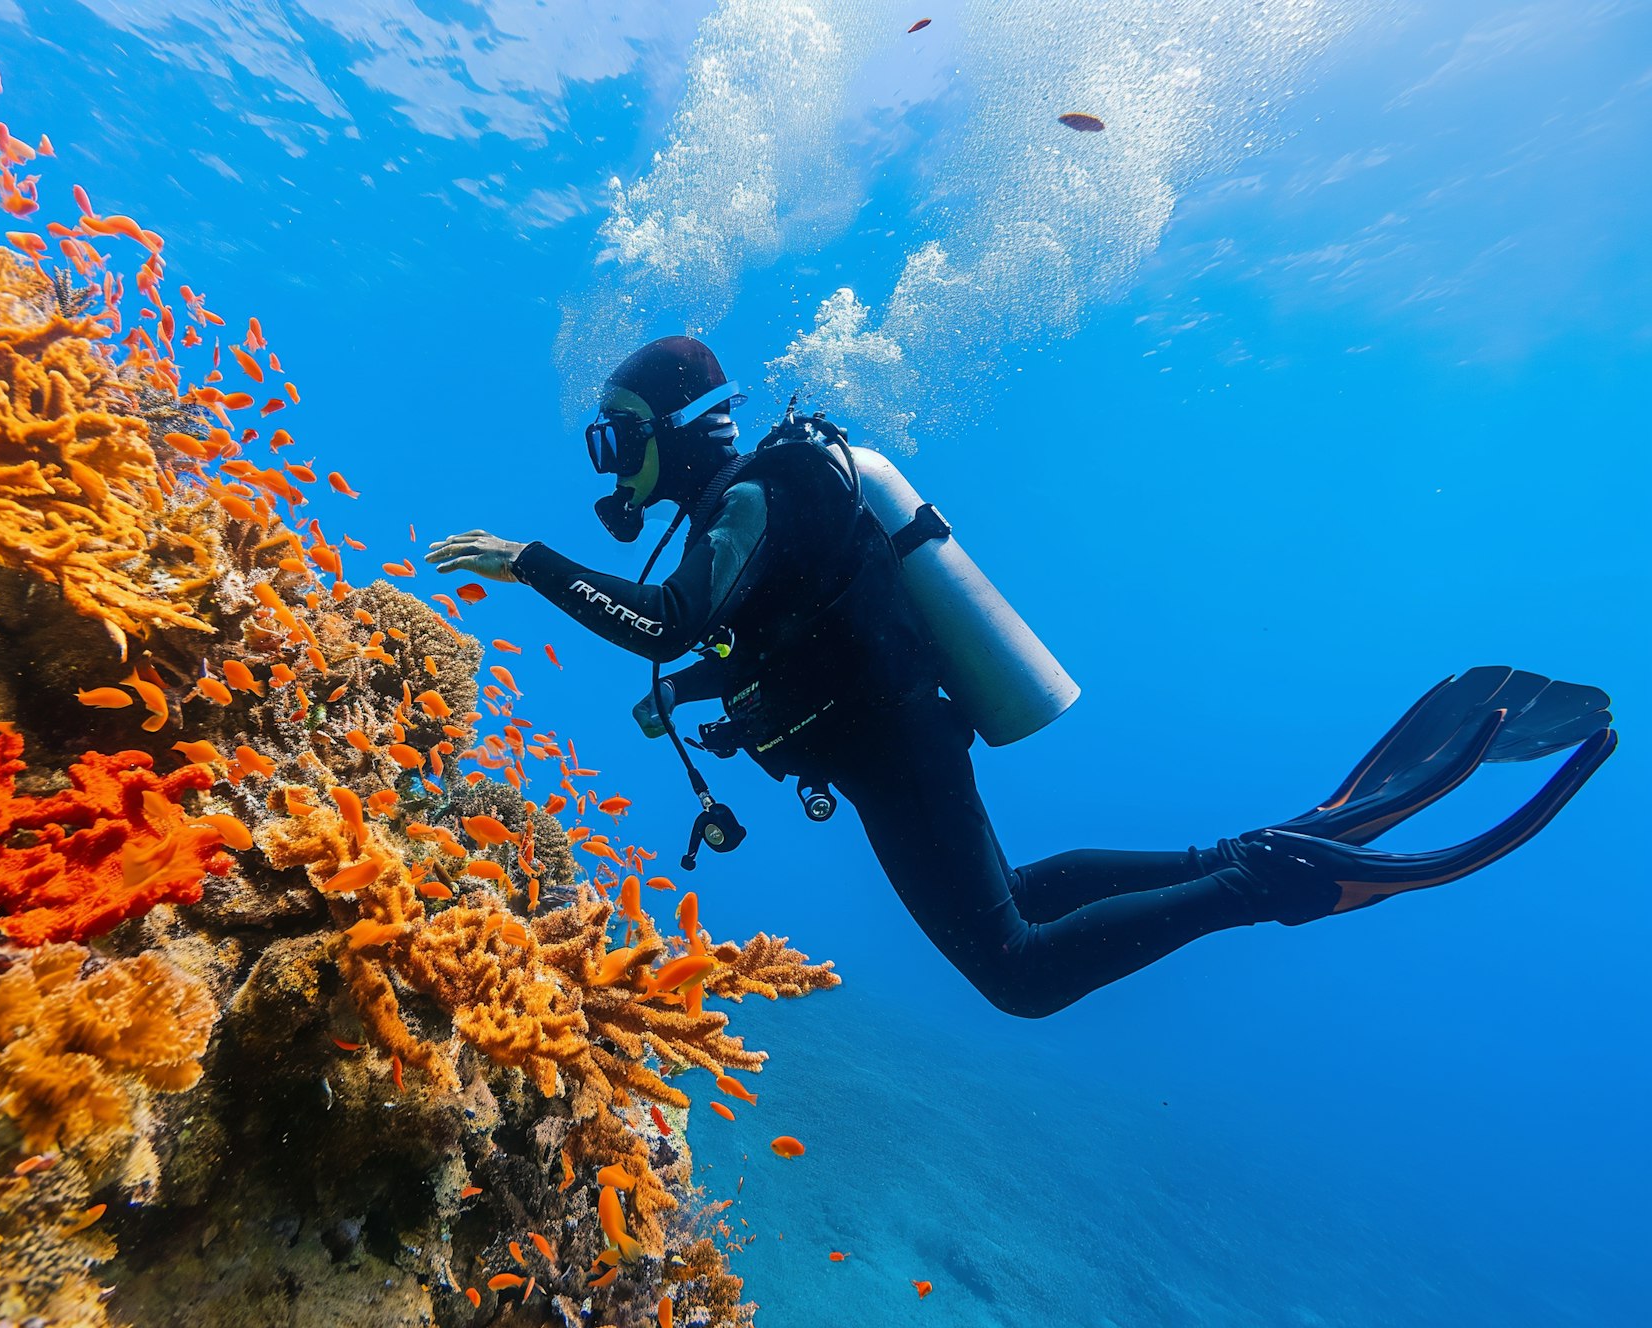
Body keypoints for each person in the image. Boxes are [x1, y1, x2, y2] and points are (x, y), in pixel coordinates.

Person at [425, 337, 1616, 1017]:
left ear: (674, 431)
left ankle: (1259, 878)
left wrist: (531, 562)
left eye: (617, 437)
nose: (608, 464)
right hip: (895, 740)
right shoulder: (751, 501)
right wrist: (687, 696)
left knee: (1016, 974)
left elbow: (667, 622)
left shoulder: (749, 497)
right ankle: (1236, 856)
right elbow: (757, 633)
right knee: (1024, 896)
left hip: (896, 749)